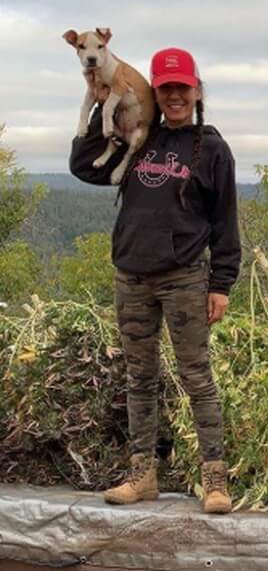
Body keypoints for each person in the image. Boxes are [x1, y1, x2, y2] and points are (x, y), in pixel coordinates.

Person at [69, 47, 241, 514]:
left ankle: (215, 479)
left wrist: (221, 283)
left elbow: (226, 224)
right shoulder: (141, 139)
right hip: (132, 277)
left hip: (184, 278)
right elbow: (85, 168)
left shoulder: (213, 150)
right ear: (155, 92)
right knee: (139, 379)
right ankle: (142, 476)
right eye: (165, 88)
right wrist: (92, 103)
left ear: (197, 90)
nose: (174, 96)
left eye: (182, 87)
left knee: (196, 378)